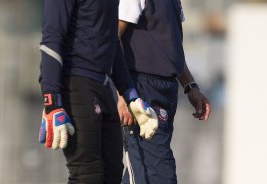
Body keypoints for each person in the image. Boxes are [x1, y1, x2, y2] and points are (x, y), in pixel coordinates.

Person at [37, 0, 158, 183]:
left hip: (103, 86)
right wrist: (52, 102)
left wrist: (131, 95)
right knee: (87, 175)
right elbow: (52, 38)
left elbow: (112, 43)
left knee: (113, 174)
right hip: (76, 83)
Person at [117, 0, 211, 183]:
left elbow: (172, 50)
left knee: (144, 170)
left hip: (166, 90)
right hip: (141, 90)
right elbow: (113, 38)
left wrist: (190, 86)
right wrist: (124, 94)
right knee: (158, 173)